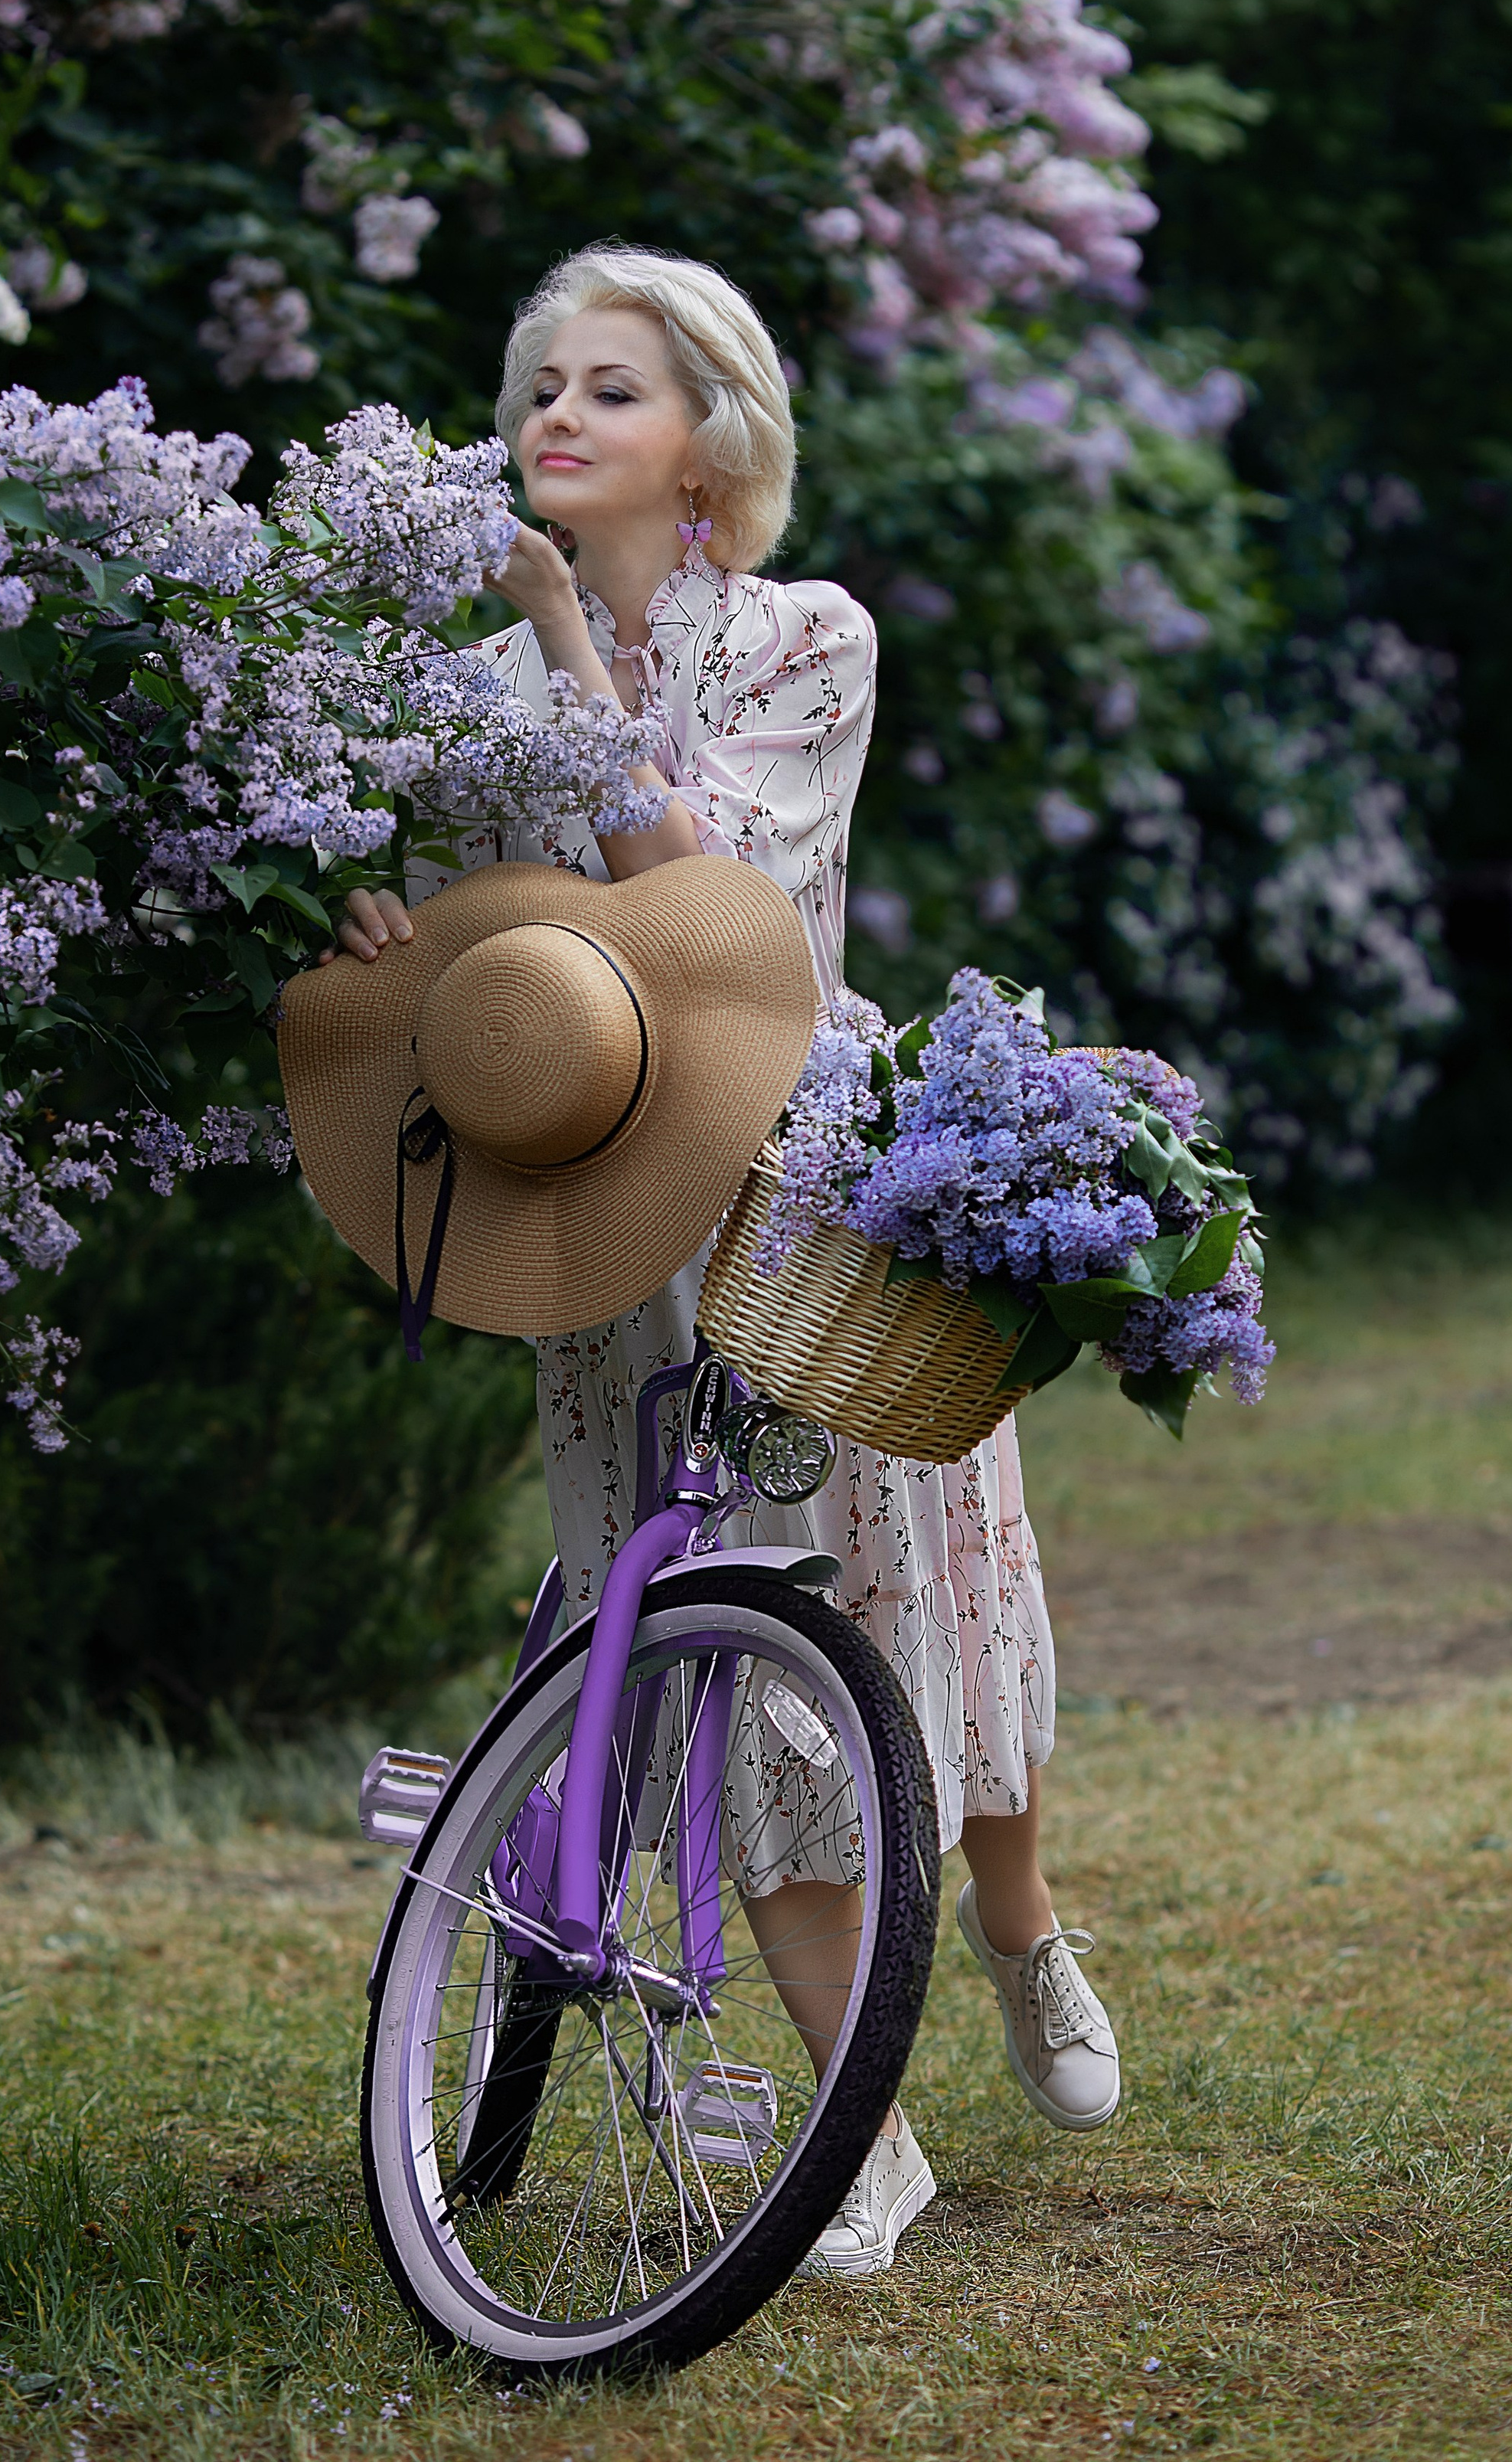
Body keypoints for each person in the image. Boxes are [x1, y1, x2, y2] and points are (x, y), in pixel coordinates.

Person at [320, 243, 1119, 2275]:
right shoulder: (471, 692)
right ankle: (863, 2133)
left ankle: (1018, 1925)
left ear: (709, 443)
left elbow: (707, 903)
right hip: (609, 1217)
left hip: (809, 1191)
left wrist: (554, 635)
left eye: (613, 387)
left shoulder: (803, 638)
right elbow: (479, 950)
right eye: (541, 386)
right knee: (728, 1659)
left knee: (928, 1607)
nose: (557, 415)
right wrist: (376, 925)